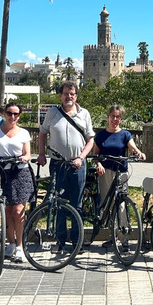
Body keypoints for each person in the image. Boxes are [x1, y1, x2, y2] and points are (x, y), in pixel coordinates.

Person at [37, 81, 95, 252]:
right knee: (59, 203)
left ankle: (77, 241)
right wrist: (41, 154)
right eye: (66, 93)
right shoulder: (53, 113)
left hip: (78, 164)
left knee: (77, 204)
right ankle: (60, 241)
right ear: (60, 95)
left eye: (72, 94)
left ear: (76, 96)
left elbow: (90, 140)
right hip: (58, 164)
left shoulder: (84, 113)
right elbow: (42, 133)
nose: (69, 96)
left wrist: (81, 157)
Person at [0, 102, 33, 263]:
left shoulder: (24, 133)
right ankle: (10, 243)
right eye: (10, 113)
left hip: (20, 172)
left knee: (19, 210)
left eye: (16, 114)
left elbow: (28, 153)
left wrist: (25, 157)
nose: (12, 117)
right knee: (8, 210)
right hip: (2, 172)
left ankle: (20, 246)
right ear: (4, 114)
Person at [92, 105, 145, 248]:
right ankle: (112, 236)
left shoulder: (125, 134)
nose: (115, 119)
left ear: (121, 119)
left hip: (121, 172)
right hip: (105, 172)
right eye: (112, 116)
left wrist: (139, 153)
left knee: (121, 204)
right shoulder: (101, 135)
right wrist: (99, 165)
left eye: (118, 117)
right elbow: (95, 155)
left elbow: (133, 147)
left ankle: (123, 238)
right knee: (108, 204)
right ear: (108, 117)